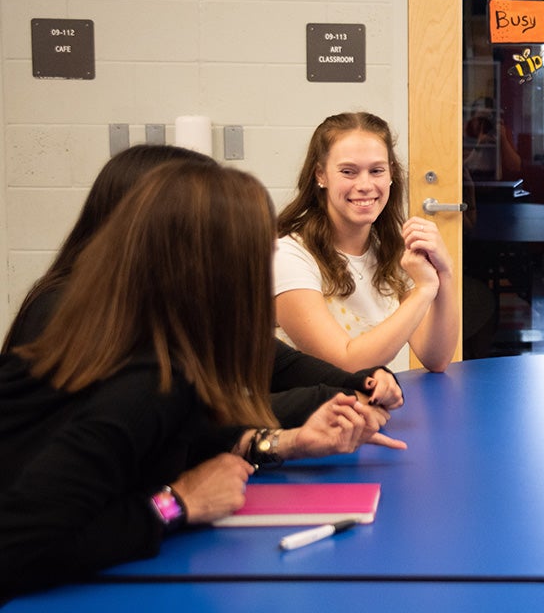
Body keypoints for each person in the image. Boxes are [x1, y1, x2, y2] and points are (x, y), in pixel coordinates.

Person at [0, 162, 347, 600]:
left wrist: (287, 442)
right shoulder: (149, 379)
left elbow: (171, 440)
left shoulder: (139, 348)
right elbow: (16, 547)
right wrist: (177, 504)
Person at [1, 144, 407, 431]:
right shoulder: (69, 311)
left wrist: (356, 383)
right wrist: (326, 403)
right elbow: (194, 417)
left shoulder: (163, 298)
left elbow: (266, 358)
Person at [275, 112, 458, 373]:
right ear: (321, 175)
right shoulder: (288, 254)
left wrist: (445, 272)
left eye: (376, 171)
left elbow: (436, 358)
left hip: (366, 407)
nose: (365, 185)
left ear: (391, 174)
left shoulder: (390, 250)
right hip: (301, 411)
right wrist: (425, 290)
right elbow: (345, 364)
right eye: (348, 171)